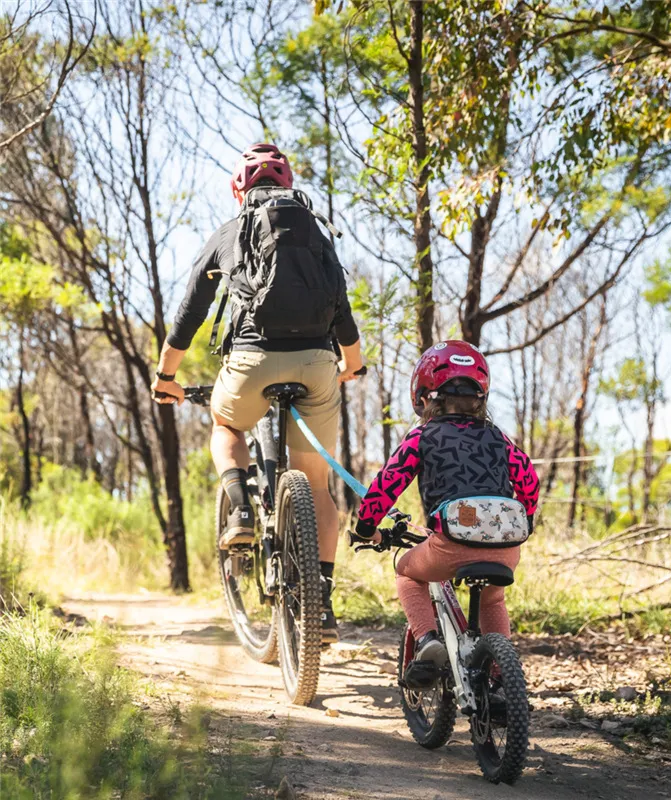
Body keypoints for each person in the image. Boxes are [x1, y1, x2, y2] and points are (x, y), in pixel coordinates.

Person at [151, 143, 363, 643]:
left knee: (226, 424)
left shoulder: (230, 233)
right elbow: (340, 305)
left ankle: (241, 507)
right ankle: (321, 602)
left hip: (250, 360)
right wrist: (351, 364)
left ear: (238, 189)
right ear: (288, 185)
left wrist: (165, 377)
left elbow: (191, 311)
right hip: (317, 363)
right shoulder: (315, 232)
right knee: (317, 487)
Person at [353, 340, 539, 669]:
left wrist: (367, 527)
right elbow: (528, 480)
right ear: (480, 396)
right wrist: (528, 519)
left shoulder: (422, 436)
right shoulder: (498, 437)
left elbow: (387, 483)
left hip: (451, 546)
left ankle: (427, 641)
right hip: (507, 548)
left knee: (407, 573)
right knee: (493, 599)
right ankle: (501, 675)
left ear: (425, 397)